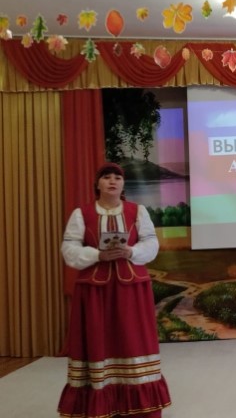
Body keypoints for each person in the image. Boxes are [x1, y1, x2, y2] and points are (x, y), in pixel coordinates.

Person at [58, 163, 171, 418]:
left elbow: (151, 242)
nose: (112, 181)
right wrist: (97, 255)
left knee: (133, 339)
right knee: (98, 338)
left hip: (131, 288)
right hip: (94, 290)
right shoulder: (82, 213)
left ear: (123, 184)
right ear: (97, 184)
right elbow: (69, 248)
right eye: (106, 177)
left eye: (117, 177)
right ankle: (100, 402)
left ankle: (138, 406)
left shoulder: (137, 211)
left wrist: (130, 251)